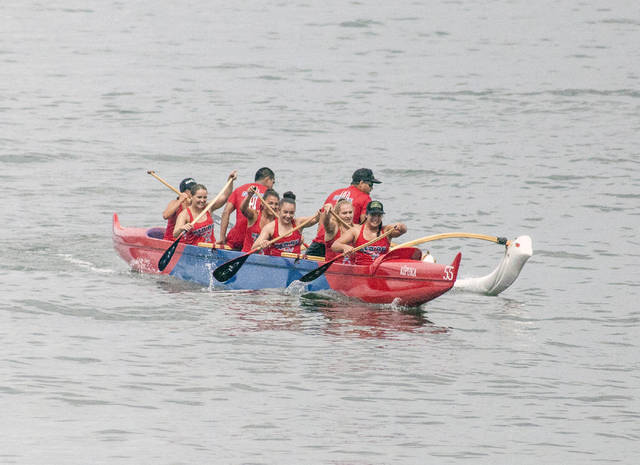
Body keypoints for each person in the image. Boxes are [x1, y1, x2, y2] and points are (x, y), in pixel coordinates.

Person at [305, 168, 381, 257]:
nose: (372, 188)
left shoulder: (335, 193)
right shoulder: (365, 198)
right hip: (341, 245)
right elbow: (366, 227)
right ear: (361, 183)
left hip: (319, 243)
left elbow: (321, 219)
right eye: (370, 185)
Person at [331, 200, 407, 265]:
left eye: (379, 215)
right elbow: (335, 245)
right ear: (366, 215)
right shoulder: (356, 231)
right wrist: (344, 247)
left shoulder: (386, 231)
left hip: (381, 269)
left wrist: (401, 226)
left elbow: (403, 230)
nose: (376, 218)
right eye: (373, 215)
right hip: (361, 270)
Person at [217, 167, 276, 250]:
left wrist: (222, 238)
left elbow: (226, 212)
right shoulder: (270, 196)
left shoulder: (239, 189)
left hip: (235, 240)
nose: (273, 186)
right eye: (273, 182)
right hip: (256, 240)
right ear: (267, 179)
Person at [173, 171, 237, 245]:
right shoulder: (185, 214)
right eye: (199, 197)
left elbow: (225, 196)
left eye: (205, 197)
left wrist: (230, 181)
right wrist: (182, 228)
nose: (202, 200)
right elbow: (175, 234)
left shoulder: (208, 207)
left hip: (210, 247)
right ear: (192, 197)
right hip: (194, 249)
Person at [252, 191, 320, 256]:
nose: (288, 216)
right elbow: (253, 249)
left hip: (295, 262)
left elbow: (315, 219)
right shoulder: (270, 228)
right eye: (285, 212)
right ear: (279, 210)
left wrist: (319, 214)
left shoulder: (298, 223)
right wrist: (262, 244)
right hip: (275, 262)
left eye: (291, 213)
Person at [240, 186, 280, 252]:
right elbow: (243, 209)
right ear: (262, 203)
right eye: (270, 203)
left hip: (266, 257)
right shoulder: (255, 215)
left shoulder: (279, 221)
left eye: (276, 204)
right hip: (247, 255)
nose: (273, 207)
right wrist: (249, 196)